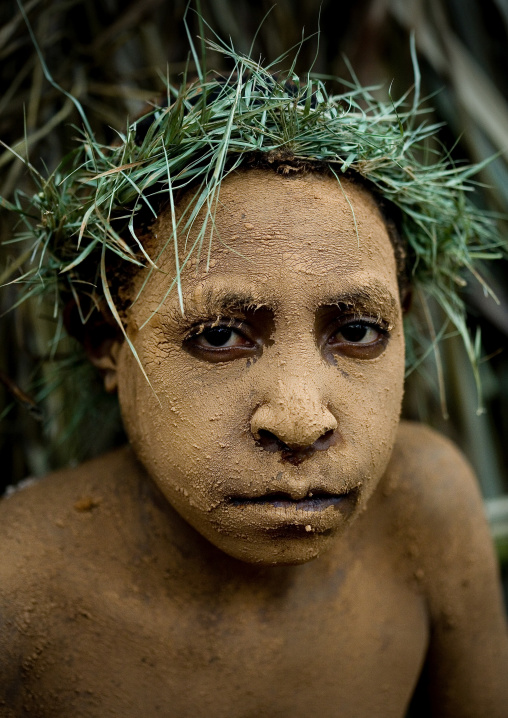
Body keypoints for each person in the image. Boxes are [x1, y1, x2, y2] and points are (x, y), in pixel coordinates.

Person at [1, 43, 507, 717]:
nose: (301, 420)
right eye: (217, 336)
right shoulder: (17, 599)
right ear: (106, 344)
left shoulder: (424, 510)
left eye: (357, 332)